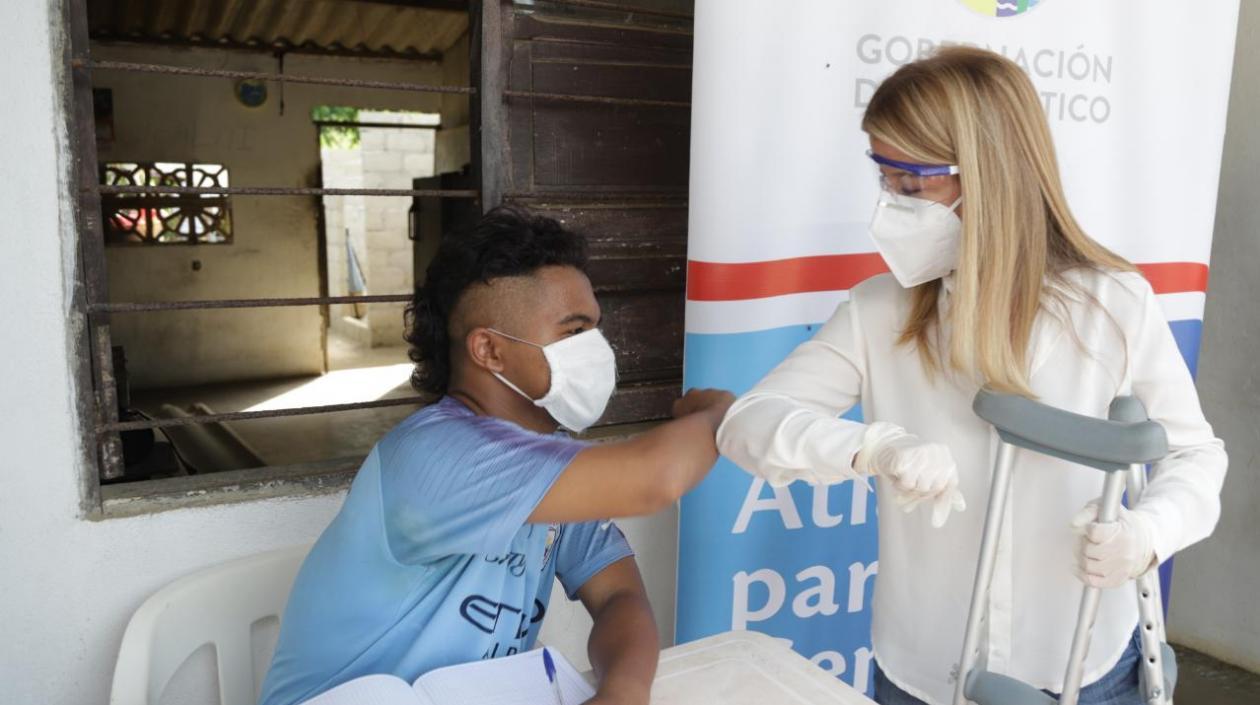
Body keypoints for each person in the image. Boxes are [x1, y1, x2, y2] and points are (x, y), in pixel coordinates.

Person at [716, 46, 1226, 705]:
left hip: (1084, 664)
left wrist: (1147, 534)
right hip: (923, 669)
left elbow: (1196, 455)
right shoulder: (881, 311)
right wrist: (871, 447)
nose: (891, 203)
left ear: (990, 171)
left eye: (912, 180)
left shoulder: (1113, 305)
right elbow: (745, 423)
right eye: (883, 176)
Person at [259, 208, 734, 705]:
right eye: (573, 331)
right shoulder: (436, 454)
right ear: (488, 350)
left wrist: (623, 691)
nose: (596, 349)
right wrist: (718, 416)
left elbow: (620, 596)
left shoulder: (553, 459)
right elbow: (652, 480)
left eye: (594, 329)